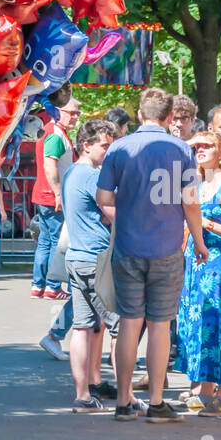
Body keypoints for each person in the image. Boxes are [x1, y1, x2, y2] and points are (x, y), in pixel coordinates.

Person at [96, 86, 208, 422]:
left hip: (129, 246)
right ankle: (157, 402)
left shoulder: (118, 148)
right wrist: (199, 242)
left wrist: (130, 202)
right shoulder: (183, 151)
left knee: (130, 322)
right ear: (170, 116)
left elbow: (104, 196)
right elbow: (190, 202)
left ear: (141, 114)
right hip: (168, 247)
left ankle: (123, 401)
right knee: (160, 325)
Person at [62, 119, 136, 413]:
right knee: (119, 327)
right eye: (105, 145)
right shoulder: (92, 176)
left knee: (83, 327)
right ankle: (126, 397)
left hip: (77, 257)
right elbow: (115, 213)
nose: (110, 150)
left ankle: (83, 394)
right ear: (86, 146)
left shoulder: (72, 173)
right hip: (97, 257)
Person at [176, 131, 221, 418]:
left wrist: (206, 224)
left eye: (208, 146)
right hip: (193, 263)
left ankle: (220, 394)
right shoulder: (195, 184)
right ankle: (203, 389)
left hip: (215, 265)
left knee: (215, 324)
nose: (201, 150)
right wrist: (188, 146)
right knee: (196, 325)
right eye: (197, 147)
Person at [30, 98, 79, 300]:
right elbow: (50, 166)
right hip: (52, 198)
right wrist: (58, 193)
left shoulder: (52, 132)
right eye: (71, 112)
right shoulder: (55, 134)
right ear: (58, 111)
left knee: (45, 241)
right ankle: (52, 286)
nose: (75, 116)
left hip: (46, 195)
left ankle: (39, 285)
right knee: (55, 242)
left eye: (77, 113)